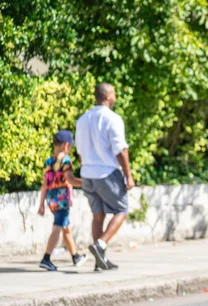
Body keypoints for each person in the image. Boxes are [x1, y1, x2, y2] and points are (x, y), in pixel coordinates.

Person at [75, 83, 135, 272]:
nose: (115, 97)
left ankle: (99, 262)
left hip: (87, 173)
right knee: (122, 209)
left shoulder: (82, 119)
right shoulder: (112, 118)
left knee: (98, 215)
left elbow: (79, 150)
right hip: (106, 172)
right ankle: (100, 244)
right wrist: (128, 175)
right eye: (114, 94)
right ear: (108, 96)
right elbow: (120, 150)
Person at [38, 130, 88, 271]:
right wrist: (88, 182)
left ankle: (75, 256)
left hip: (51, 199)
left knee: (66, 228)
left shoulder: (48, 162)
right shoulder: (66, 160)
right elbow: (70, 179)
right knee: (58, 227)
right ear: (66, 145)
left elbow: (44, 185)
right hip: (62, 199)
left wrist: (41, 204)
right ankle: (46, 258)